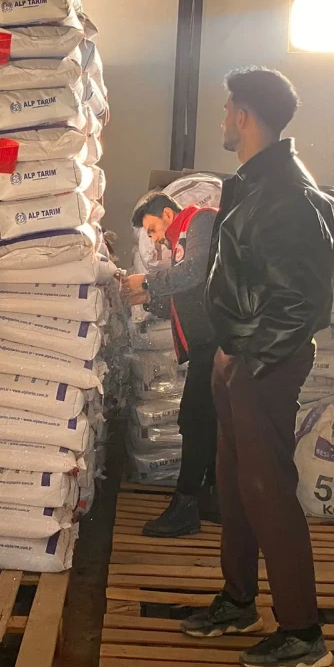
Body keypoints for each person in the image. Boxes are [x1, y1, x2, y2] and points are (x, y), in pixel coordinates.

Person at [179, 67, 334, 667]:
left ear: (243, 116)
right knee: (238, 483)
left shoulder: (287, 195)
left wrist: (249, 357)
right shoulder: (254, 184)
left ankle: (302, 631)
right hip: (241, 356)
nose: (222, 119)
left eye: (226, 110)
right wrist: (229, 350)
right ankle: (238, 601)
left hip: (264, 362)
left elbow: (301, 300)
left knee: (268, 488)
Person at [121, 191, 219, 537]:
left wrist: (147, 282)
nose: (154, 239)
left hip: (216, 344)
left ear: (166, 214)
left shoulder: (201, 220)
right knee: (210, 422)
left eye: (151, 229)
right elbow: (184, 298)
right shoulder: (182, 242)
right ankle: (215, 498)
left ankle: (186, 506)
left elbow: (194, 273)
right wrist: (147, 299)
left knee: (194, 420)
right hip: (208, 346)